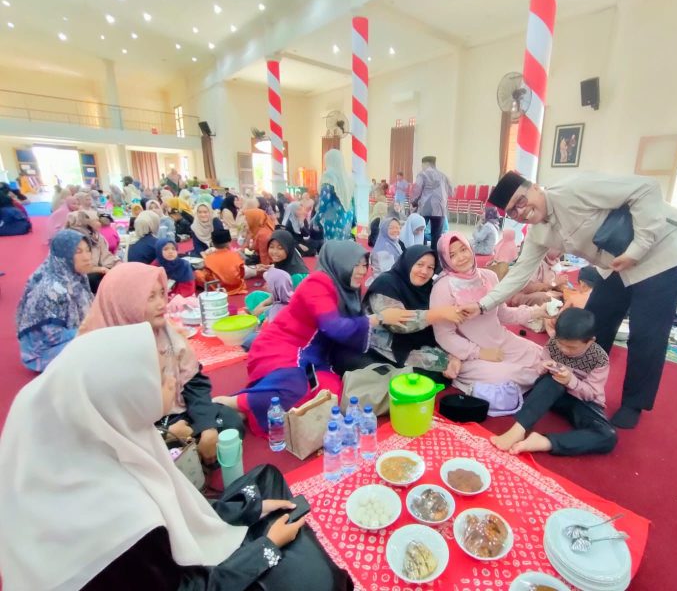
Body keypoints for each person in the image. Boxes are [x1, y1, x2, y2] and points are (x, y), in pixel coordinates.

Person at [0, 323, 348, 591]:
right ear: (125, 391)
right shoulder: (114, 517)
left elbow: (175, 514)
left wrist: (250, 511)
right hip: (184, 579)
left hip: (163, 561)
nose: (175, 381)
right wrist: (266, 549)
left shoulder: (97, 436)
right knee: (322, 580)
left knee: (264, 482)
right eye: (163, 374)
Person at [469, 170, 677, 429]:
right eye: (512, 212)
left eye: (521, 202)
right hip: (618, 261)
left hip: (663, 247)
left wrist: (638, 248)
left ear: (535, 188)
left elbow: (647, 187)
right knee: (594, 321)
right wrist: (482, 305)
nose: (521, 212)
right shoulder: (538, 232)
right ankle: (577, 382)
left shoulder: (575, 189)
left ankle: (634, 403)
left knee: (647, 331)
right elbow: (518, 275)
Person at [218, 241, 411, 438]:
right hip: (282, 346)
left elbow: (348, 326)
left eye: (365, 265)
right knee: (296, 385)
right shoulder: (317, 283)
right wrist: (379, 319)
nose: (362, 271)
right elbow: (333, 326)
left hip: (314, 355)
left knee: (330, 393)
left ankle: (252, 409)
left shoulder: (346, 287)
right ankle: (235, 402)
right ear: (340, 262)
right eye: (356, 265)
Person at [80, 263, 243, 461]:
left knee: (228, 423)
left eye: (161, 293)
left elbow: (193, 382)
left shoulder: (166, 333)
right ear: (124, 302)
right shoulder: (98, 352)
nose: (161, 304)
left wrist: (207, 426)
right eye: (150, 297)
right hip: (131, 434)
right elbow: (103, 426)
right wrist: (165, 434)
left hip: (174, 412)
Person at [430, 232, 544, 412]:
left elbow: (504, 315)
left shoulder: (489, 276)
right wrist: (480, 352)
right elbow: (444, 335)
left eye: (463, 250)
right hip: (468, 355)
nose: (461, 257)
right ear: (445, 259)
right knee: (509, 376)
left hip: (501, 341)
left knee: (540, 355)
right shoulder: (442, 288)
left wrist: (537, 311)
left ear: (470, 248)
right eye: (452, 255)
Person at [491, 308, 617, 457]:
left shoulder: (599, 359)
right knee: (552, 381)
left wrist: (571, 380)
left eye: (571, 347)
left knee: (608, 436)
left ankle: (545, 442)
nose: (564, 350)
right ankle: (518, 429)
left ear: (590, 341)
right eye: (561, 344)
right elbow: (541, 366)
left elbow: (592, 394)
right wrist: (543, 367)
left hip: (581, 401)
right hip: (553, 393)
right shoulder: (553, 344)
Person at [364, 245, 464, 379]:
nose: (424, 271)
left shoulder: (429, 288)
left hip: (417, 341)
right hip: (387, 344)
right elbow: (398, 324)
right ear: (409, 262)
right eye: (420, 264)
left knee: (455, 364)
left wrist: (452, 354)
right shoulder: (386, 284)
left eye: (430, 268)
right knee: (435, 372)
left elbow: (437, 328)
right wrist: (439, 313)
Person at [15, 229, 94, 372]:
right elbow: (54, 337)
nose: (87, 257)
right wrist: (92, 329)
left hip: (72, 334)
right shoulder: (52, 289)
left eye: (88, 250)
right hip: (42, 352)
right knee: (98, 347)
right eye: (78, 252)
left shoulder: (74, 275)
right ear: (64, 256)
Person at [66, 210, 120, 292]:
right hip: (80, 277)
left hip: (96, 272)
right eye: (97, 220)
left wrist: (117, 263)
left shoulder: (97, 237)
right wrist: (100, 269)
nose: (100, 223)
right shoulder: (72, 238)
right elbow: (75, 267)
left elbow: (105, 256)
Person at [411, 155, 452, 252]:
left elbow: (417, 190)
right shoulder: (444, 176)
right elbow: (450, 192)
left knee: (419, 231)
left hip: (426, 207)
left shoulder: (422, 174)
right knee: (436, 235)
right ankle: (435, 257)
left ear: (425, 164)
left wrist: (414, 202)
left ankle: (420, 252)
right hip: (440, 209)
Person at [313, 149, 355, 241]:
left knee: (332, 246)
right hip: (347, 216)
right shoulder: (348, 178)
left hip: (333, 217)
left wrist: (316, 218)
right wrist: (354, 220)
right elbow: (353, 201)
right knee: (343, 245)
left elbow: (324, 201)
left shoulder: (329, 176)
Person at [196, 230, 247, 295]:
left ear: (213, 244)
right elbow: (242, 273)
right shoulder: (236, 255)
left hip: (218, 288)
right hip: (237, 286)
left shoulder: (208, 258)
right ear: (229, 242)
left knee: (197, 273)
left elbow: (207, 276)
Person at [368, 217, 404, 284]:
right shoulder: (383, 249)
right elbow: (388, 274)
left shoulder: (394, 243)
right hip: (386, 285)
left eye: (398, 227)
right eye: (391, 228)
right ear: (384, 229)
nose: (395, 230)